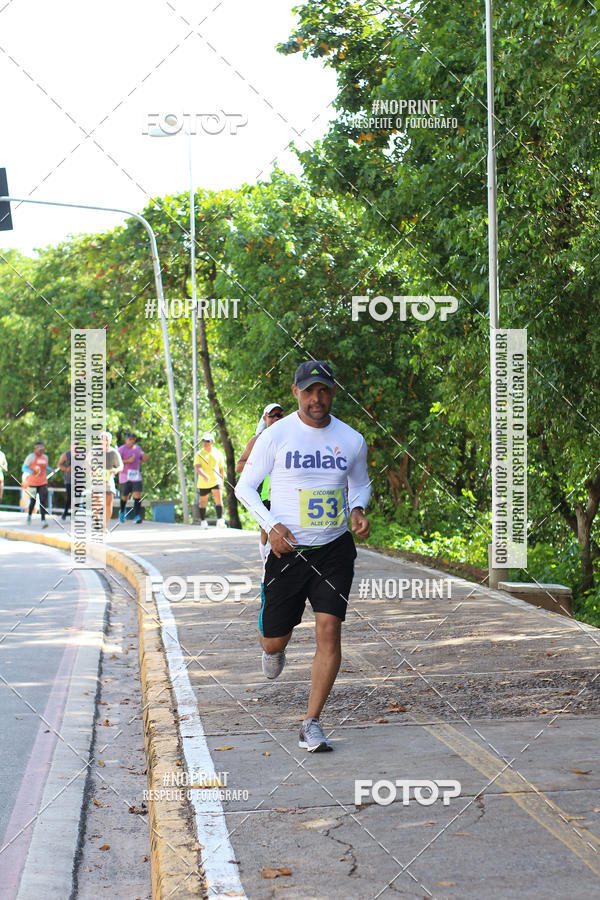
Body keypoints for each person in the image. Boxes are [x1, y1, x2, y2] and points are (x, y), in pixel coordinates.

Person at [235, 361, 371, 752]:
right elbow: (245, 488)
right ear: (296, 392)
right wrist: (272, 526)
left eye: (324, 390)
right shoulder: (276, 436)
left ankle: (311, 722)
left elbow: (359, 485)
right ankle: (270, 644)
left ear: (332, 392)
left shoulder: (351, 439)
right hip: (288, 551)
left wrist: (358, 510)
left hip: (334, 549)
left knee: (329, 630)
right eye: (309, 391)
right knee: (274, 642)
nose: (317, 398)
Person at [236, 403, 284, 566]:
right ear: (265, 418)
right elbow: (239, 466)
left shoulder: (289, 437)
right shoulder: (257, 440)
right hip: (265, 493)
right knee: (266, 530)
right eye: (272, 415)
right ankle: (266, 564)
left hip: (284, 494)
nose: (276, 418)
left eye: (279, 415)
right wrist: (260, 463)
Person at [194, 432, 226, 529]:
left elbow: (221, 468)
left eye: (207, 441)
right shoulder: (199, 454)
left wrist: (222, 481)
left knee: (218, 500)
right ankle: (203, 522)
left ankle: (220, 520)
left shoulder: (218, 453)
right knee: (203, 502)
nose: (205, 443)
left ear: (212, 442)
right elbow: (197, 467)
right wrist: (204, 475)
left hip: (216, 481)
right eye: (203, 441)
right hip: (204, 483)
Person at [93, 432, 123, 530]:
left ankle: (104, 526)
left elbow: (121, 466)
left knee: (108, 502)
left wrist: (116, 470)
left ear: (109, 441)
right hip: (97, 479)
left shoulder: (113, 453)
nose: (104, 442)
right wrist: (90, 471)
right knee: (97, 501)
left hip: (108, 479)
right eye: (102, 439)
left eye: (106, 440)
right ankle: (96, 517)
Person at [118, 433, 148, 523]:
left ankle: (137, 515)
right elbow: (117, 462)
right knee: (124, 496)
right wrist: (128, 461)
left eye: (133, 439)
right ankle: (122, 512)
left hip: (136, 475)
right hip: (124, 476)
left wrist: (144, 455)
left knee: (137, 495)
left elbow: (144, 460)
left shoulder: (138, 448)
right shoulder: (121, 449)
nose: (132, 441)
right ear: (126, 440)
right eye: (130, 439)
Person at [23, 441, 51, 528]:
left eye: (42, 448)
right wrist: (32, 472)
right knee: (33, 501)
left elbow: (44, 467)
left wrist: (50, 469)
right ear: (35, 449)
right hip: (32, 483)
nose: (41, 450)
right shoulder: (30, 457)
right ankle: (29, 516)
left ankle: (43, 520)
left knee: (43, 501)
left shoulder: (45, 457)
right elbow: (23, 468)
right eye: (39, 449)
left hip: (43, 482)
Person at [57, 442, 74, 520]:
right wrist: (66, 469)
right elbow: (59, 465)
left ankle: (73, 515)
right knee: (69, 496)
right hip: (69, 480)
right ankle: (65, 512)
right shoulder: (66, 454)